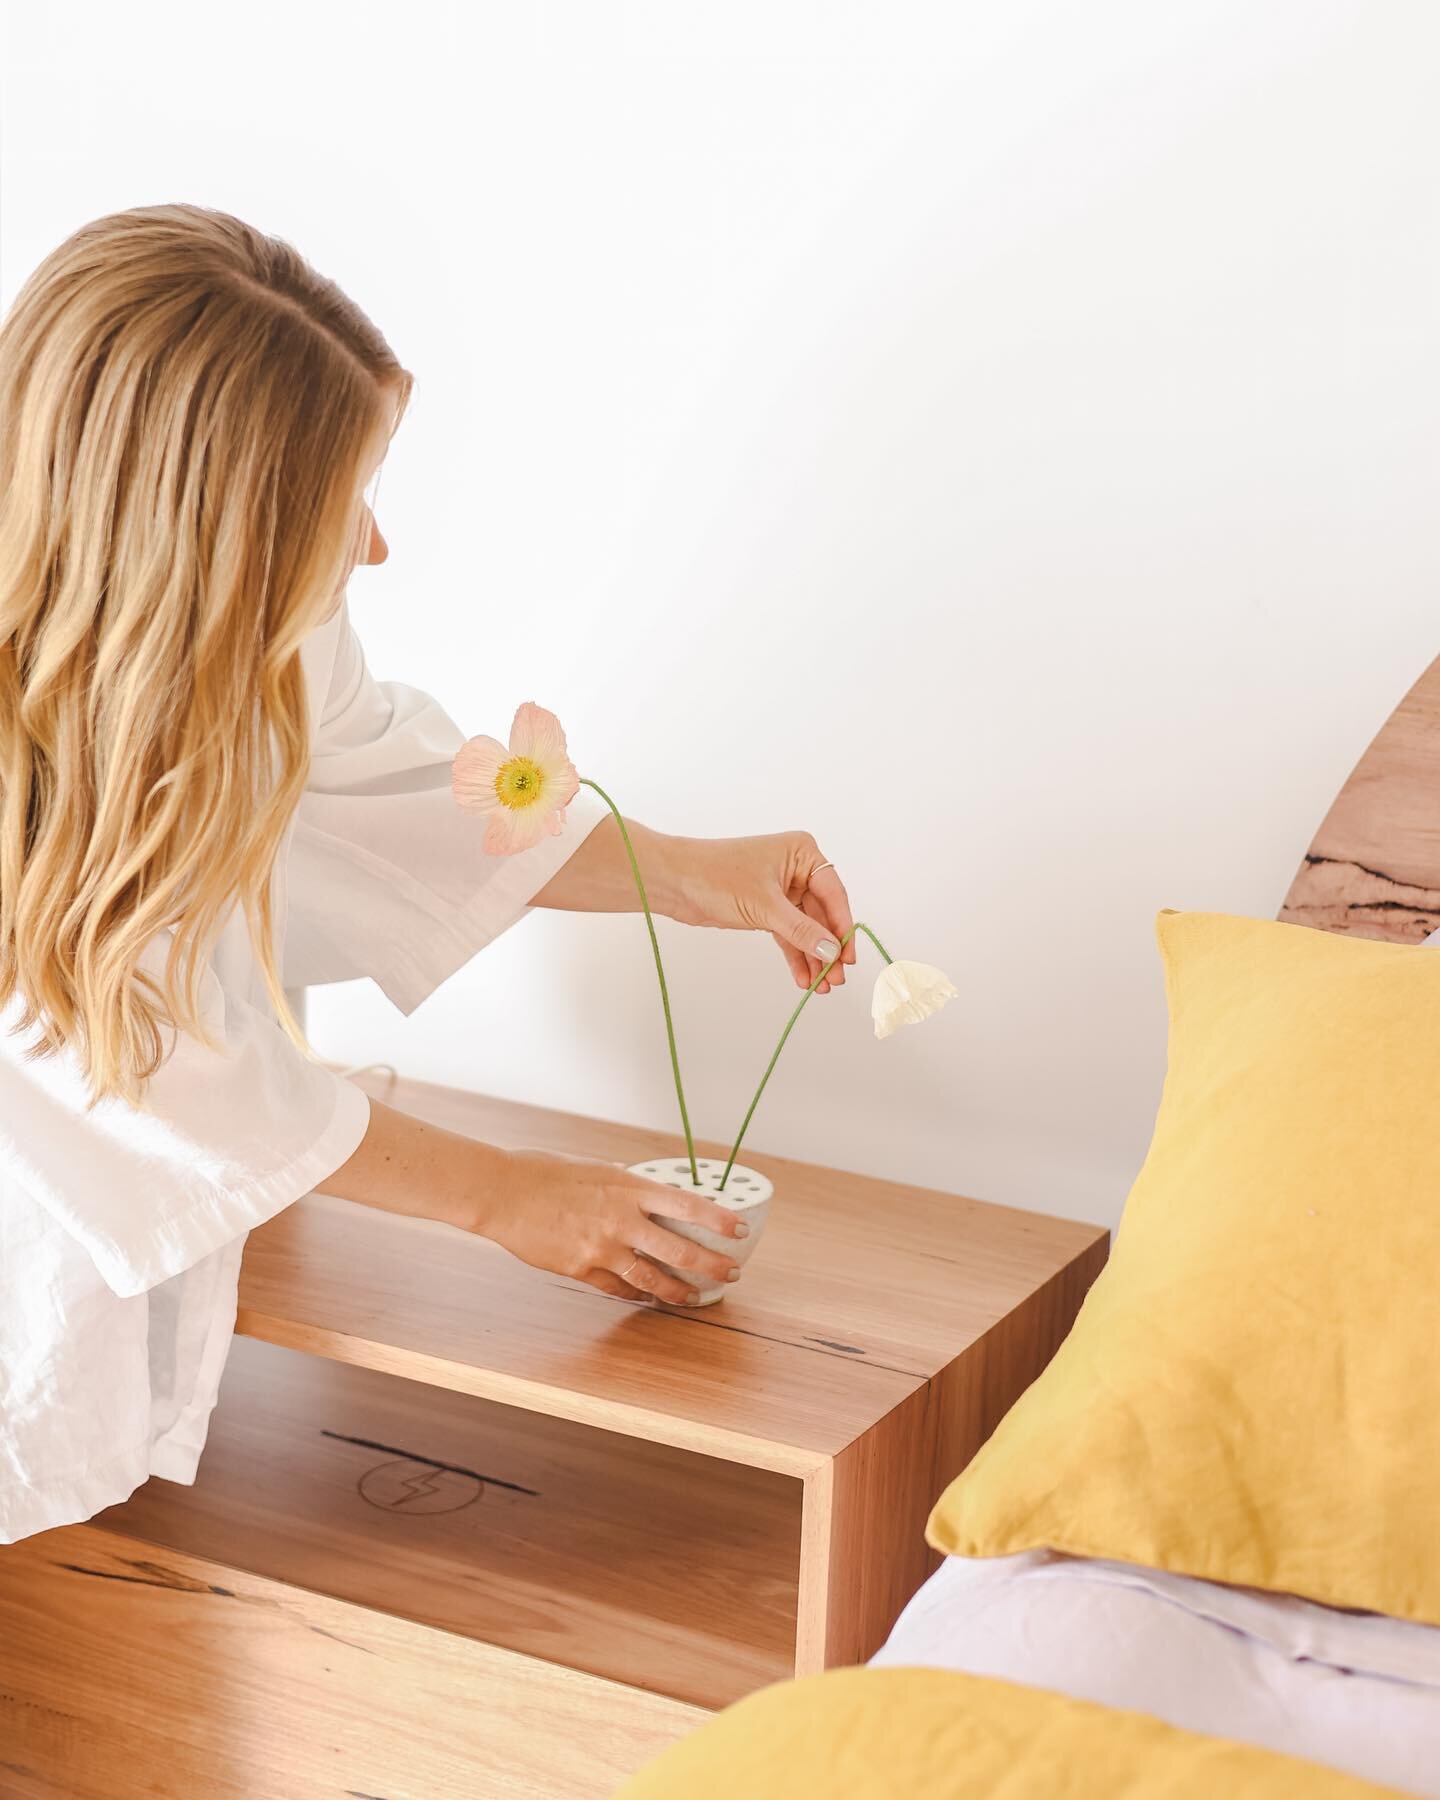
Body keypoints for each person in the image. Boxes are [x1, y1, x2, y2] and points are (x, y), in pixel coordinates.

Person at [0, 204, 857, 1544]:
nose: (376, 545)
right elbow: (146, 1061)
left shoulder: (250, 633)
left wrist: (685, 874)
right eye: (344, 504)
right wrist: (507, 1194)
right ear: (209, 532)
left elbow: (370, 787)